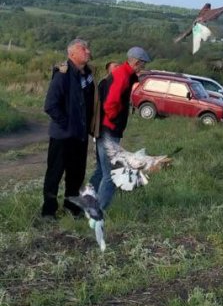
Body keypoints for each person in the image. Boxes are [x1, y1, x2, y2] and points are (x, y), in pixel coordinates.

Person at [89, 46, 151, 211]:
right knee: (111, 174)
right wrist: (112, 120)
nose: (143, 67)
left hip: (105, 129)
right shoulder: (122, 75)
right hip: (109, 130)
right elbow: (110, 103)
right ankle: (98, 211)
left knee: (101, 171)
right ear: (136, 62)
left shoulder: (125, 74)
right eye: (142, 64)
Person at [41, 38, 95, 218]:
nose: (87, 51)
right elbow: (50, 105)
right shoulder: (62, 75)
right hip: (62, 136)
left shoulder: (87, 75)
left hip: (80, 136)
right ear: (72, 54)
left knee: (76, 174)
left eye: (87, 48)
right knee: (54, 175)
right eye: (83, 48)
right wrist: (67, 125)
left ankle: (72, 208)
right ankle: (48, 212)